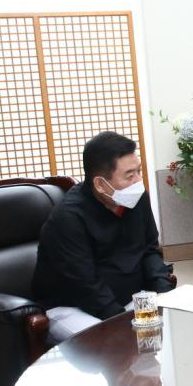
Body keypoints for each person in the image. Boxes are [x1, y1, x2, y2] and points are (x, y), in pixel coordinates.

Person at [33, 131, 175, 342]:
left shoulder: (135, 198)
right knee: (115, 343)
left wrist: (166, 296)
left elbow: (149, 250)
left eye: (139, 171)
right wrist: (121, 323)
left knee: (170, 327)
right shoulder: (68, 217)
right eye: (129, 175)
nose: (138, 181)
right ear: (100, 184)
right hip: (75, 307)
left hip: (129, 298)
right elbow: (85, 284)